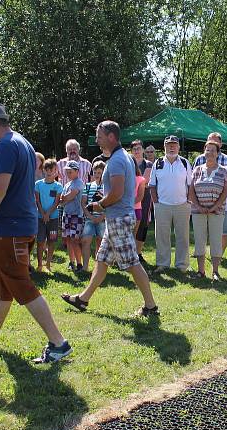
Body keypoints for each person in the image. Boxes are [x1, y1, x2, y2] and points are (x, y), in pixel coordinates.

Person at [0, 101, 72, 364]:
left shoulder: (4, 146)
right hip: (17, 225)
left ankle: (59, 343)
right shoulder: (21, 142)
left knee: (20, 283)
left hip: (10, 227)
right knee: (3, 285)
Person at [61, 120, 158, 316]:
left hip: (119, 219)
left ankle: (151, 306)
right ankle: (83, 299)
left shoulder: (116, 160)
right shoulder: (122, 157)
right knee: (102, 260)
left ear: (111, 137)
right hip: (117, 217)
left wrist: (100, 204)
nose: (97, 139)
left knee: (132, 263)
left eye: (100, 135)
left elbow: (117, 193)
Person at [149, 135, 192, 274]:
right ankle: (162, 264)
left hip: (182, 205)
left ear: (179, 147)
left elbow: (191, 185)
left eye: (174, 144)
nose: (172, 147)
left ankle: (182, 265)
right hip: (162, 205)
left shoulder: (185, 163)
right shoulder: (158, 163)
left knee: (183, 237)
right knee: (161, 237)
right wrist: (156, 203)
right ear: (164, 147)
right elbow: (152, 185)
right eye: (169, 145)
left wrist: (188, 202)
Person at [189, 140, 227, 280]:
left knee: (216, 240)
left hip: (217, 212)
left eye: (213, 150)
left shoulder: (223, 171)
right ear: (204, 152)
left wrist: (214, 207)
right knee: (199, 240)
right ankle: (201, 271)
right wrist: (199, 207)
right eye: (208, 150)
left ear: (218, 153)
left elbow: (226, 192)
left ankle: (215, 272)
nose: (210, 153)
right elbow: (191, 192)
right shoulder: (197, 169)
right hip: (197, 211)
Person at [34, 158, 62, 273]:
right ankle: (40, 264)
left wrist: (48, 214)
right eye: (48, 169)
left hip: (53, 218)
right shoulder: (38, 184)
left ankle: (48, 264)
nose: (50, 172)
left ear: (56, 171)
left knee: (52, 241)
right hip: (40, 218)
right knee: (40, 241)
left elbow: (56, 202)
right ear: (44, 170)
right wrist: (43, 214)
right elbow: (37, 201)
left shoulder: (58, 186)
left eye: (53, 170)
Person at [80, 161, 106, 272]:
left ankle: (98, 268)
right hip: (89, 219)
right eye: (95, 172)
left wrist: (101, 217)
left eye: (99, 172)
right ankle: (85, 267)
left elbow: (110, 203)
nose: (96, 174)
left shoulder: (107, 187)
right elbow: (83, 202)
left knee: (100, 243)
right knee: (86, 241)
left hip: (102, 219)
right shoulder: (88, 186)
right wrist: (90, 216)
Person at [60, 160, 85, 271]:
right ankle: (71, 262)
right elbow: (62, 199)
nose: (68, 173)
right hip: (67, 215)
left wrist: (63, 198)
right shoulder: (67, 184)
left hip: (77, 215)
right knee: (68, 239)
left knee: (75, 239)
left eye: (70, 171)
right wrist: (63, 198)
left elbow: (69, 196)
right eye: (67, 171)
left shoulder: (79, 182)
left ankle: (79, 264)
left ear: (77, 171)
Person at [131, 140, 153, 262]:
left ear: (143, 150)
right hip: (129, 198)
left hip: (145, 198)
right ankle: (130, 252)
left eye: (139, 148)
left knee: (143, 224)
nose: (137, 151)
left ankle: (138, 253)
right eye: (134, 149)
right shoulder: (128, 163)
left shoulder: (148, 164)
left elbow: (145, 181)